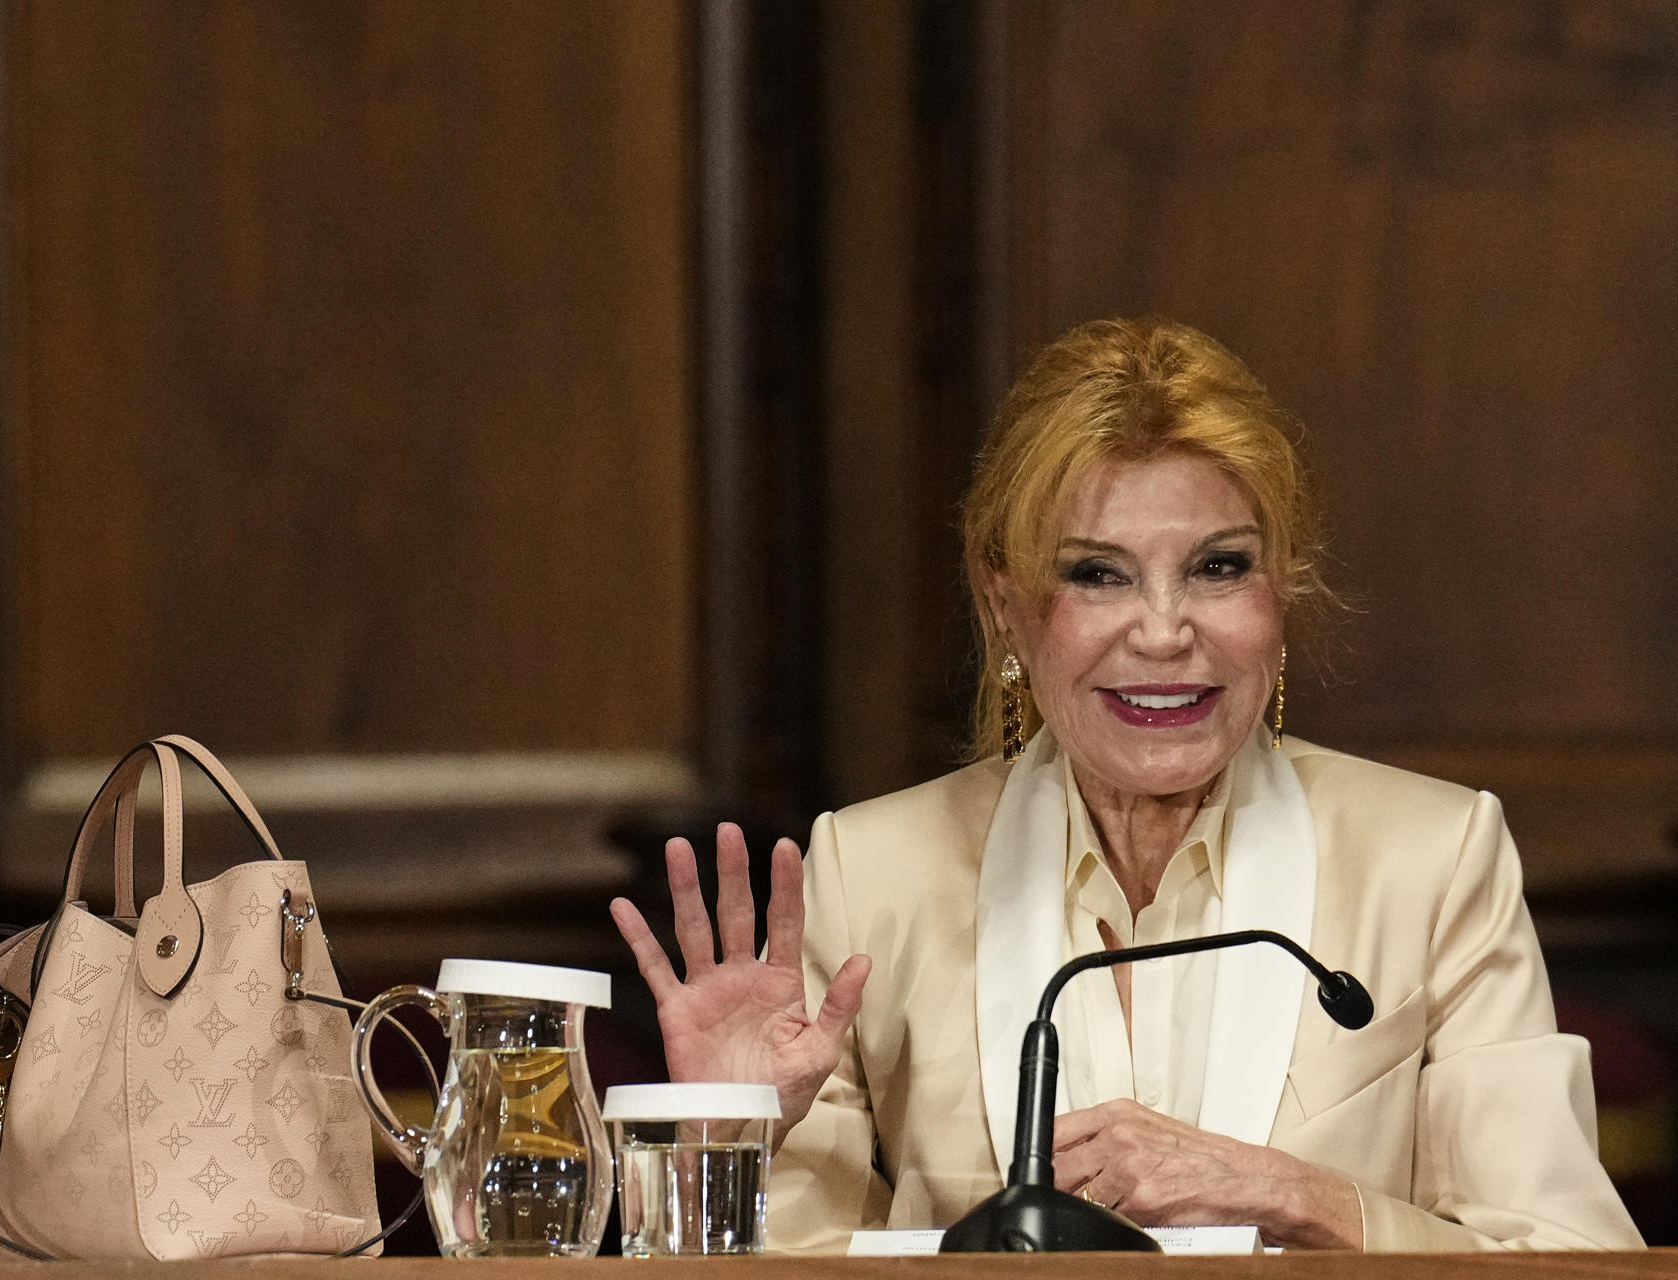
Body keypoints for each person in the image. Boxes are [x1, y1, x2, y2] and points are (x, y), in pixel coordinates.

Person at [609, 316, 1643, 1252]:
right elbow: (796, 1262)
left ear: (1281, 594)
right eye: (1097, 573)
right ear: (1004, 604)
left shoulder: (1435, 856)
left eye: (1219, 567)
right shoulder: (868, 870)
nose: (1162, 631)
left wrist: (1299, 1194)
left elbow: (1569, 1260)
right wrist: (721, 1139)